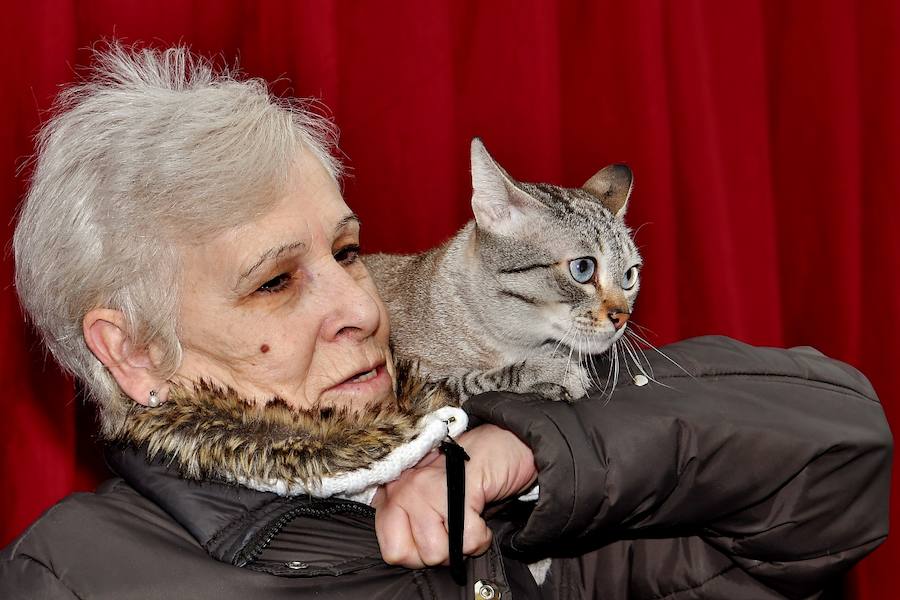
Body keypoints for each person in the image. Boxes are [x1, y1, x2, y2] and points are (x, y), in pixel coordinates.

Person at [1, 44, 891, 600]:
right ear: (133, 352)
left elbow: (841, 465)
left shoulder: (525, 518)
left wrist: (539, 450)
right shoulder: (75, 577)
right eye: (275, 283)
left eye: (348, 253)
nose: (360, 307)